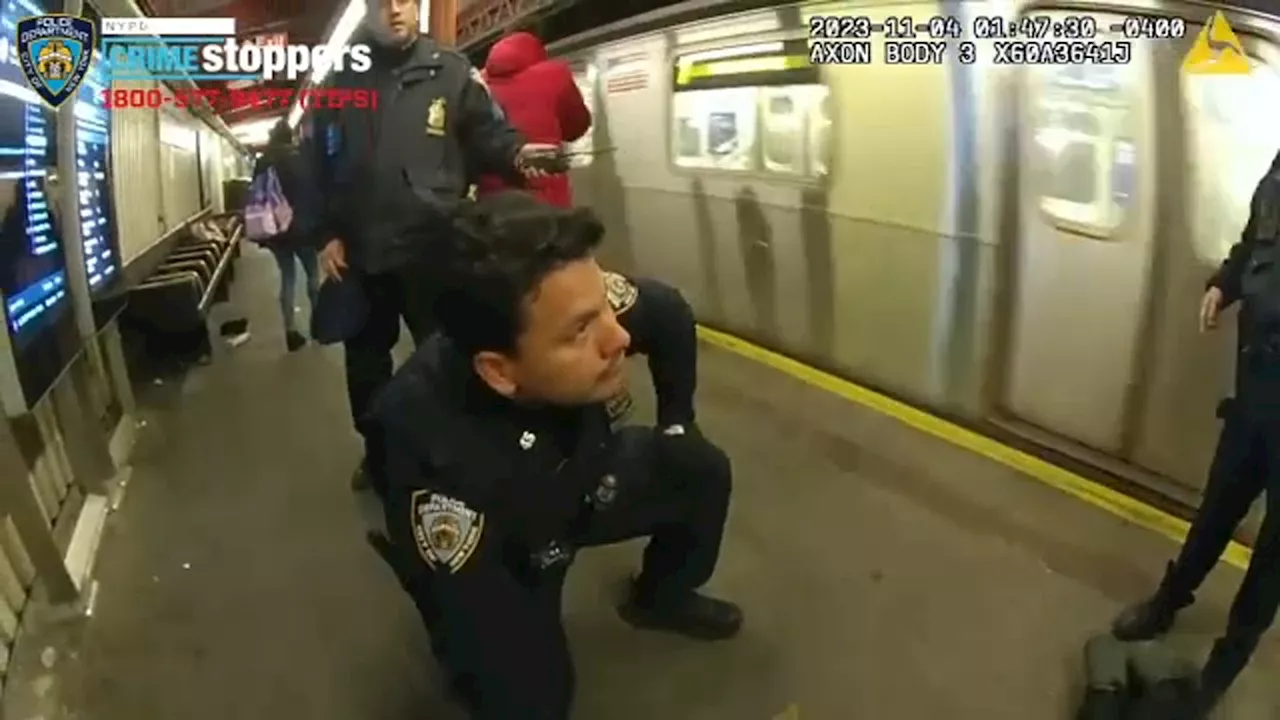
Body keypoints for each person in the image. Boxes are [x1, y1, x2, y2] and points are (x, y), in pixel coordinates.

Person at [370, 191, 741, 718]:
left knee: (699, 471)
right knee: (533, 696)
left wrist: (678, 422)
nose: (619, 337)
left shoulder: (568, 293)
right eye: (580, 332)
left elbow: (670, 314)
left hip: (587, 473)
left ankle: (660, 597)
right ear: (499, 370)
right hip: (505, 536)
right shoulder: (431, 450)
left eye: (606, 310)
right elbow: (471, 585)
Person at [309, 0, 548, 493]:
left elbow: (489, 134)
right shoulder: (341, 80)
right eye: (382, 4)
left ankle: (452, 454)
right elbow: (319, 160)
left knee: (447, 358)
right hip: (363, 252)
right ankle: (379, 456)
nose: (395, 11)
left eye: (404, 1)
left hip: (433, 249)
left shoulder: (452, 72)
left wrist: (518, 154)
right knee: (366, 369)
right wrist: (326, 232)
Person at [1111, 149, 1280, 717]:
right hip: (1256, 388)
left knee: (1273, 558)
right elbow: (1257, 241)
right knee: (1214, 512)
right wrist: (1223, 283)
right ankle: (1167, 603)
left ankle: (1220, 672)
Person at [476, 31, 591, 208]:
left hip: (492, 198)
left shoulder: (479, 83)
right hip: (544, 195)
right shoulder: (555, 74)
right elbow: (577, 126)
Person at [251, 120, 321, 352]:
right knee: (313, 276)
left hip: (275, 230)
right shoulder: (300, 157)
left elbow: (256, 198)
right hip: (301, 228)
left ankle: (290, 331)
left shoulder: (262, 161)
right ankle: (318, 326)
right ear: (290, 137)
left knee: (288, 278)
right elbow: (312, 192)